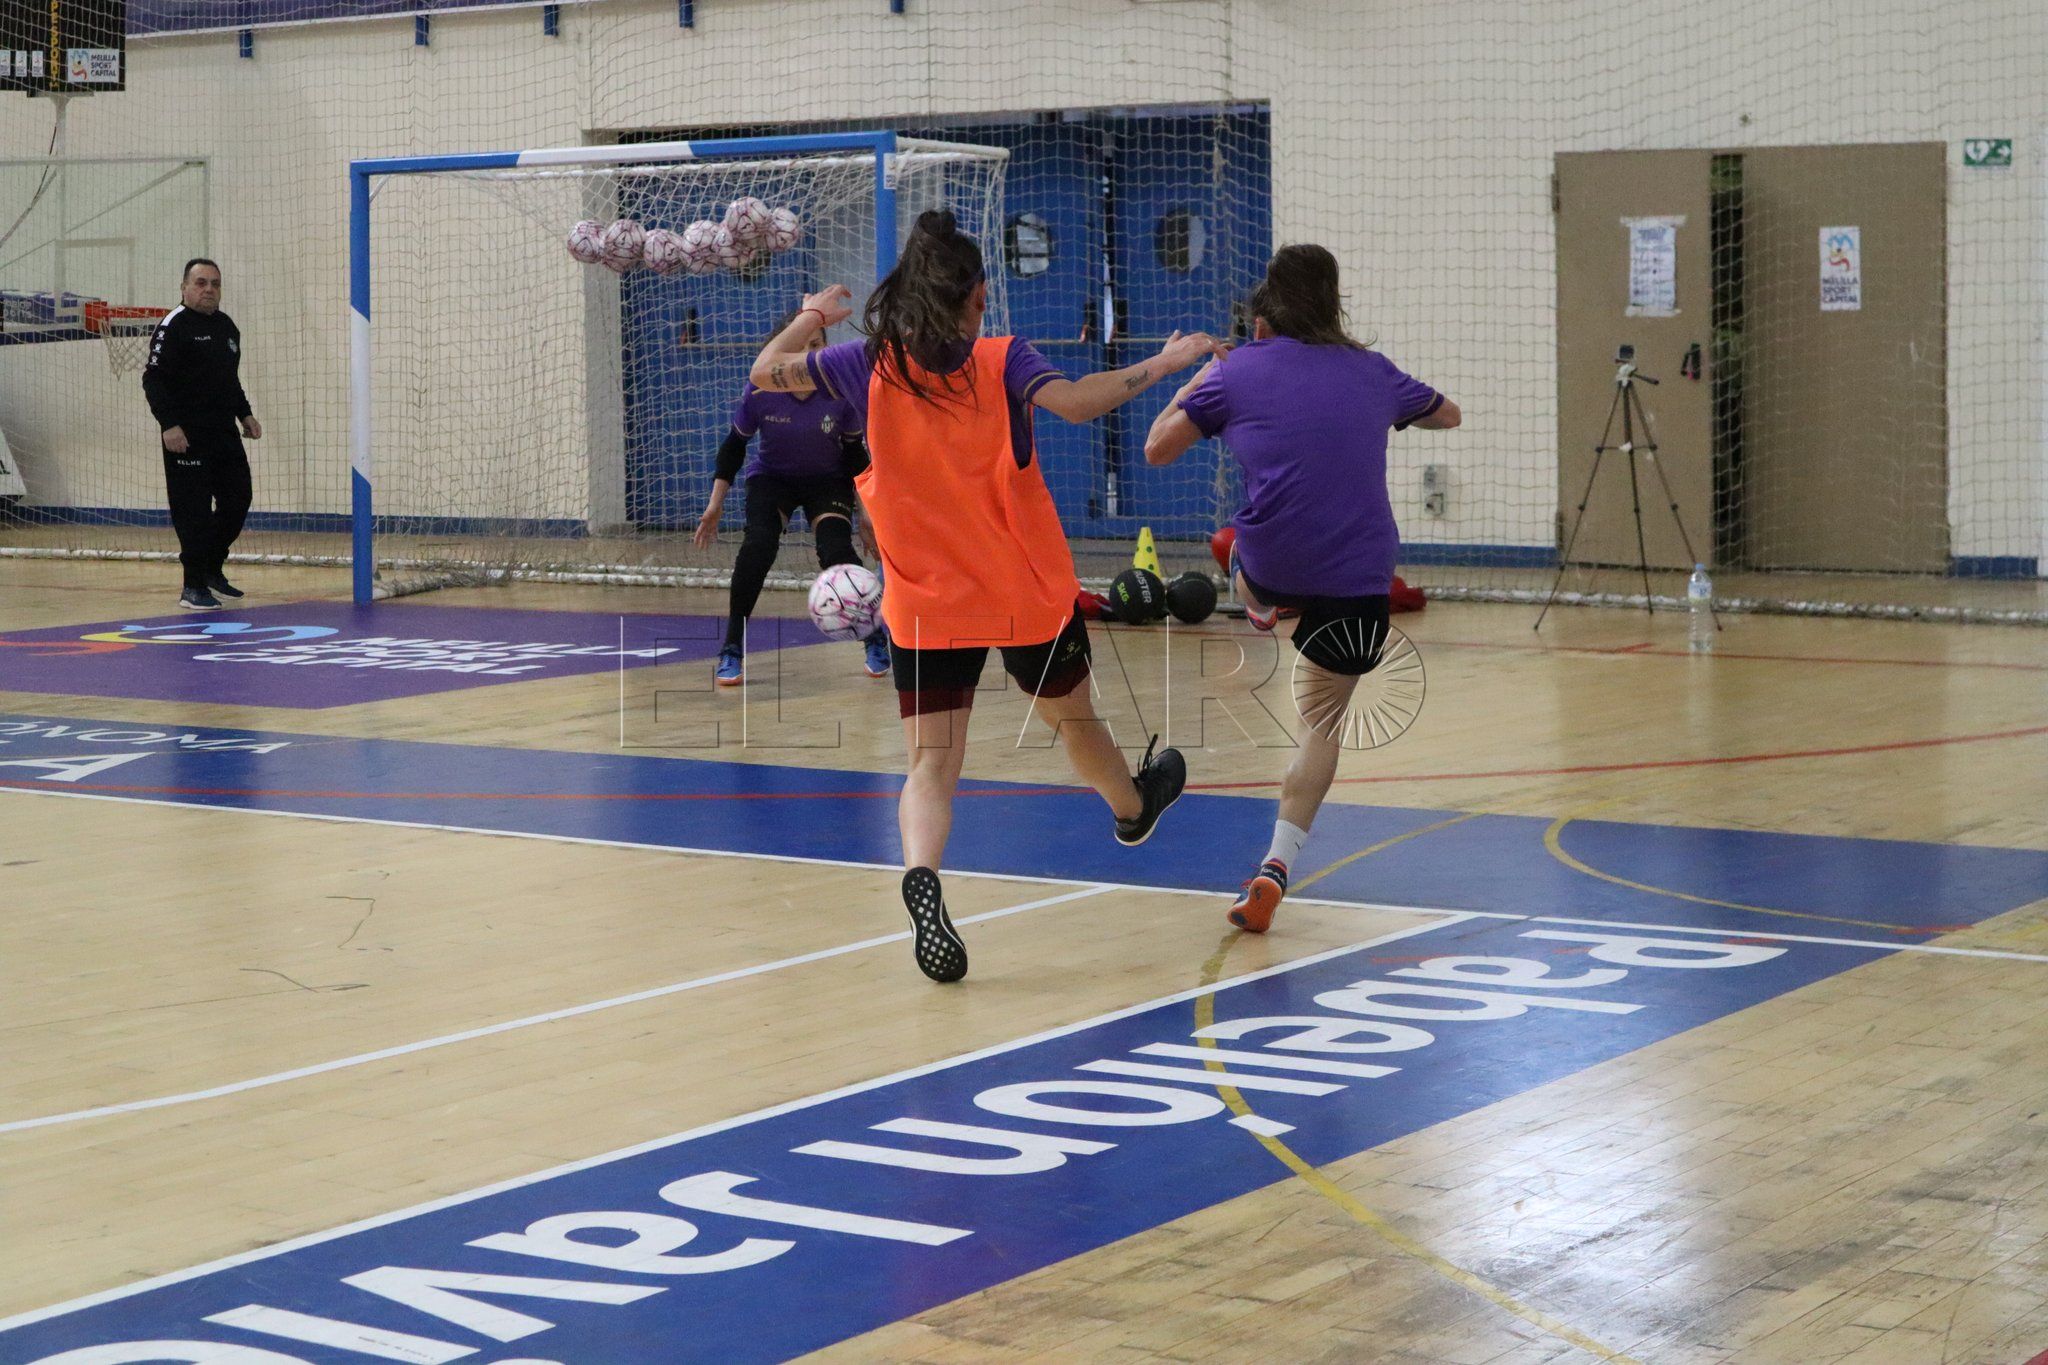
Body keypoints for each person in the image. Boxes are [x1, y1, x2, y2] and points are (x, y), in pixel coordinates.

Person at [750, 209, 1219, 983]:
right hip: (1021, 592)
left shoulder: (865, 365)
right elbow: (1080, 400)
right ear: (976, 297)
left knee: (931, 764)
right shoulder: (1004, 360)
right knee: (1075, 719)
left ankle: (923, 878)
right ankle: (1132, 808)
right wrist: (1165, 365)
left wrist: (810, 317)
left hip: (925, 601)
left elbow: (767, 371)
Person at [1144, 243, 1460, 935]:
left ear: (1263, 318)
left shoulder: (1238, 371)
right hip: (1360, 578)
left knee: (1236, 547)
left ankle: (1256, 601)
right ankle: (1275, 866)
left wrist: (1194, 382)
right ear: (1332, 304)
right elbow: (1449, 415)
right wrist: (1398, 405)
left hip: (1275, 564)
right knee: (1321, 726)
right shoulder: (1373, 371)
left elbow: (1157, 448)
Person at [693, 313, 887, 684]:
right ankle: (732, 647)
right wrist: (714, 505)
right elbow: (734, 446)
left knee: (837, 553)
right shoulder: (762, 390)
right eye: (801, 347)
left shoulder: (839, 391)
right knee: (758, 546)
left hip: (827, 481)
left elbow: (854, 456)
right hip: (773, 480)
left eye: (818, 346)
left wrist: (868, 512)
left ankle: (874, 639)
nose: (812, 355)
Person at [141, 258, 260, 611]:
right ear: (184, 287)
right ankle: (192, 586)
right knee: (193, 512)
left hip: (223, 433)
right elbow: (153, 379)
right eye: (201, 283)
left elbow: (228, 380)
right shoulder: (173, 326)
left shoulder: (227, 327)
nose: (209, 289)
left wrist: (245, 413)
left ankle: (211, 568)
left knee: (238, 499)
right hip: (186, 436)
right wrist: (169, 425)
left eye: (215, 284)